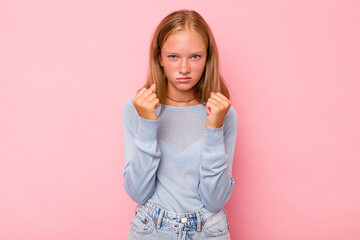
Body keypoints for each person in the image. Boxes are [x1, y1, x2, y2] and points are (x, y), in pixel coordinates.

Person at [122, 9, 237, 240]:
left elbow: (215, 200)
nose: (184, 68)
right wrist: (147, 123)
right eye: (173, 56)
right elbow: (138, 192)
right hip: (151, 229)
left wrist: (214, 127)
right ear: (159, 58)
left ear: (207, 58)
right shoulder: (136, 108)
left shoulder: (224, 112)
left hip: (208, 230)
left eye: (195, 56)